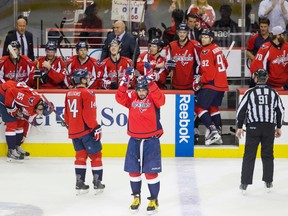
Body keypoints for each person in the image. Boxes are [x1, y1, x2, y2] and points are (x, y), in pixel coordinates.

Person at [115, 71, 165, 214]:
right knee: (134, 172)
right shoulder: (131, 98)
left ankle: (153, 199)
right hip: (134, 141)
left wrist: (151, 82)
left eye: (144, 90)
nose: (142, 93)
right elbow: (119, 97)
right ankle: (136, 197)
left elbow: (161, 100)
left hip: (151, 141)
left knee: (150, 174)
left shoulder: (153, 98)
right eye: (140, 90)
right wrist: (124, 81)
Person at [236, 69, 285, 193]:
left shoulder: (250, 92)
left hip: (253, 127)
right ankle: (268, 182)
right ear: (267, 78)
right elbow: (280, 110)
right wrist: (278, 126)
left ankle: (244, 184)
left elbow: (241, 110)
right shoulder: (274, 93)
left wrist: (239, 127)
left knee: (249, 155)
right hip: (269, 127)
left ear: (255, 78)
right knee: (268, 154)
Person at [64, 68, 105, 195]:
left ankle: (79, 183)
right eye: (86, 77)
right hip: (86, 131)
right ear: (82, 79)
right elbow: (88, 115)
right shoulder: (88, 93)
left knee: (80, 156)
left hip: (74, 132)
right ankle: (97, 182)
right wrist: (96, 127)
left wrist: (70, 124)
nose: (88, 79)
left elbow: (66, 114)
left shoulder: (69, 93)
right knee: (96, 156)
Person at [0, 80, 53, 162]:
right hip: (4, 92)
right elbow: (10, 92)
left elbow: (28, 122)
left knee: (20, 122)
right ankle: (11, 151)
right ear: (41, 107)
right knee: (12, 123)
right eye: (41, 112)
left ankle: (17, 147)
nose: (39, 114)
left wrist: (24, 135)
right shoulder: (29, 100)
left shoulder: (37, 108)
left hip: (13, 93)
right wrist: (12, 109)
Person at [193, 29, 229, 145]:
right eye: (202, 37)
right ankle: (219, 133)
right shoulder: (217, 48)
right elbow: (226, 65)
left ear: (211, 39)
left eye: (206, 37)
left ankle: (213, 131)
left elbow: (208, 74)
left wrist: (199, 81)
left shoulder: (206, 51)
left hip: (212, 84)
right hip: (222, 84)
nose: (203, 39)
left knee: (199, 107)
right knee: (213, 108)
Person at [166, 23, 201, 90]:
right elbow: (166, 63)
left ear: (187, 33)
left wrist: (197, 76)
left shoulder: (194, 45)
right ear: (177, 33)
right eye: (180, 32)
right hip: (175, 83)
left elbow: (199, 63)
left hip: (190, 83)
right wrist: (168, 65)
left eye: (184, 32)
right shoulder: (171, 45)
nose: (182, 34)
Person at [246, 18, 271, 87]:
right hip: (256, 69)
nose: (263, 29)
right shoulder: (254, 38)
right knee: (253, 87)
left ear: (268, 26)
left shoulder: (272, 38)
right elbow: (248, 52)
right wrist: (256, 60)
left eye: (265, 27)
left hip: (269, 69)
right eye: (261, 26)